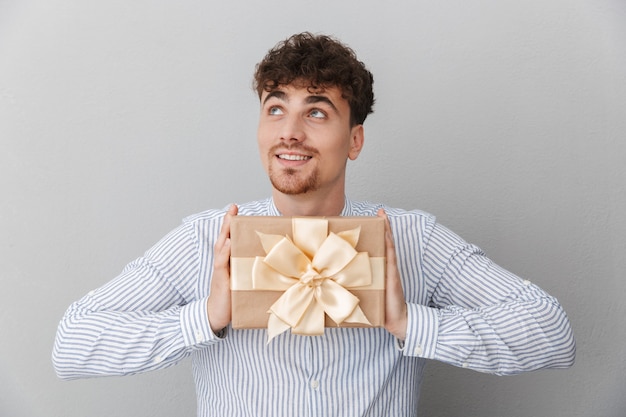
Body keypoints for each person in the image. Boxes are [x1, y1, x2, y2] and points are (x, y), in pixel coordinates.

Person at [53, 32, 576, 416]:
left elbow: (553, 333)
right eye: (275, 109)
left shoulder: (413, 239)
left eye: (318, 112)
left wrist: (409, 322)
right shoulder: (205, 240)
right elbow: (72, 343)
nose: (291, 133)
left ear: (355, 140)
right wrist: (206, 317)